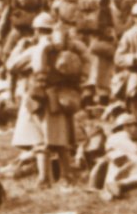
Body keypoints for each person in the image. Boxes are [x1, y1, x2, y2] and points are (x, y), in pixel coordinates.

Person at [7, 13, 88, 187]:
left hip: (39, 98)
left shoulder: (35, 50)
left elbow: (11, 65)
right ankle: (66, 176)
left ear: (36, 31)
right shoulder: (69, 50)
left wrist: (20, 48)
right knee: (60, 139)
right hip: (61, 97)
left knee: (39, 139)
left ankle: (45, 178)